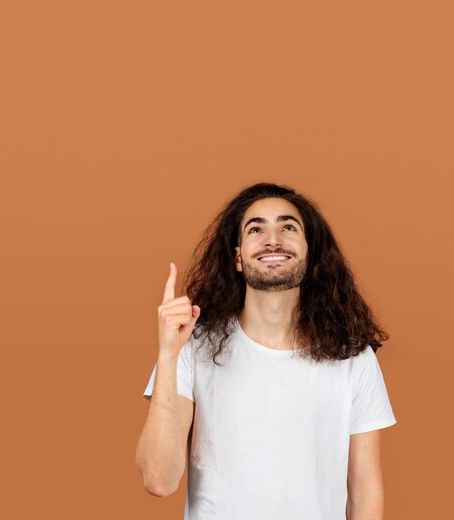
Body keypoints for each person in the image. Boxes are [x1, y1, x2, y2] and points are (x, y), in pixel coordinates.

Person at [135, 182, 397, 520]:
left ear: (310, 252)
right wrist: (167, 355)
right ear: (238, 258)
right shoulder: (193, 347)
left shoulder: (352, 357)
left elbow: (364, 494)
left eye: (288, 227)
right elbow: (158, 479)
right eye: (256, 228)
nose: (273, 239)